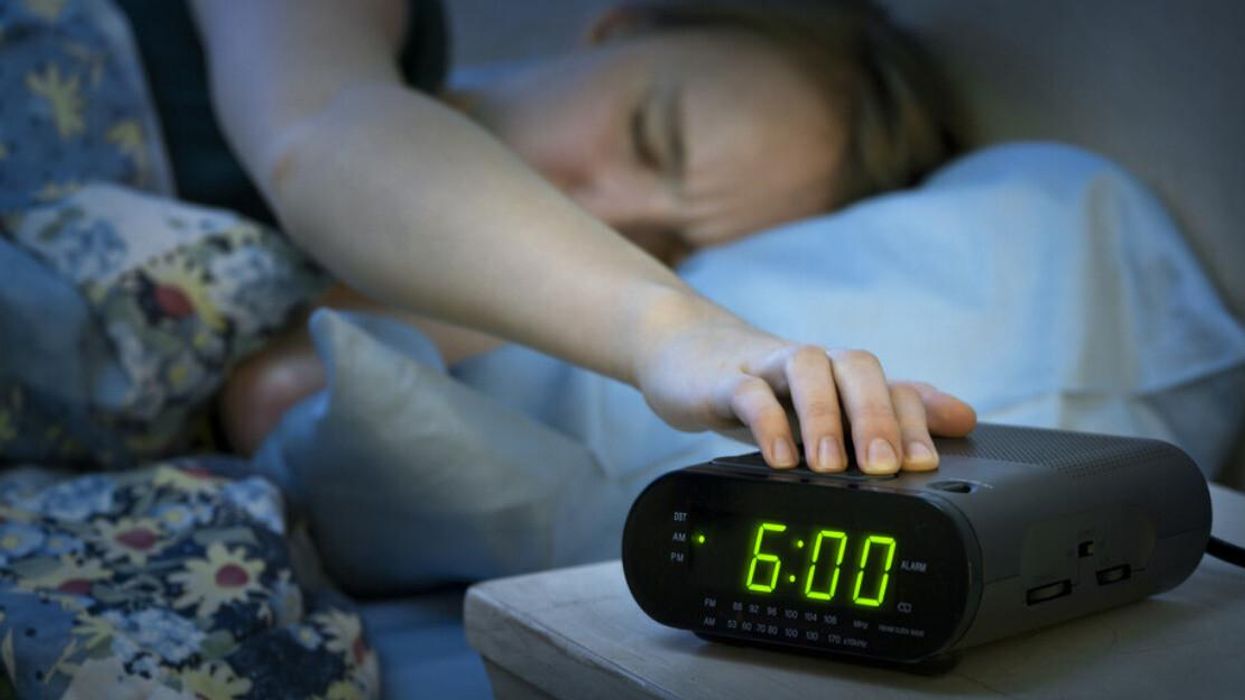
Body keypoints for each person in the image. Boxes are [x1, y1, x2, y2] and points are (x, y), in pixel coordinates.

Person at [190, 0, 977, 471]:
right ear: (614, 29)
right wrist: (674, 330)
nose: (607, 214)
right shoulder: (353, 34)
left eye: (662, 248)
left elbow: (269, 395)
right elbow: (320, 129)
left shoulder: (513, 316)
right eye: (648, 138)